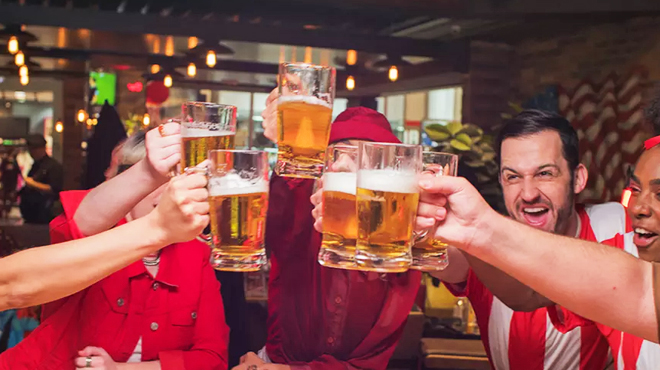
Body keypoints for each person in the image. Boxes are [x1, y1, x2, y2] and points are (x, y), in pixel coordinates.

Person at [0, 131, 228, 370]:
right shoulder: (96, 233)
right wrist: (149, 177)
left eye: (182, 180)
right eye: (163, 179)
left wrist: (119, 368)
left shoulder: (195, 253)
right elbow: (77, 223)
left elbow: (213, 358)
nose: (171, 192)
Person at [413, 135, 660, 344]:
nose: (639, 207)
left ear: (578, 179)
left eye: (545, 174)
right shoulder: (626, 254)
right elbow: (528, 295)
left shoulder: (614, 227)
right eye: (634, 190)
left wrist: (479, 227)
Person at [237, 99, 422, 370]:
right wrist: (291, 146)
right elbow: (274, 215)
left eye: (359, 156)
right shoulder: (304, 205)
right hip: (276, 360)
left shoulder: (398, 242)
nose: (341, 166)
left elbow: (372, 356)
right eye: (334, 154)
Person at [18, 134, 63, 224]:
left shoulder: (53, 166)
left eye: (33, 149)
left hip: (44, 214)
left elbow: (54, 189)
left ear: (42, 148)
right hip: (31, 214)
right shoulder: (36, 165)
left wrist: (32, 183)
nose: (31, 152)